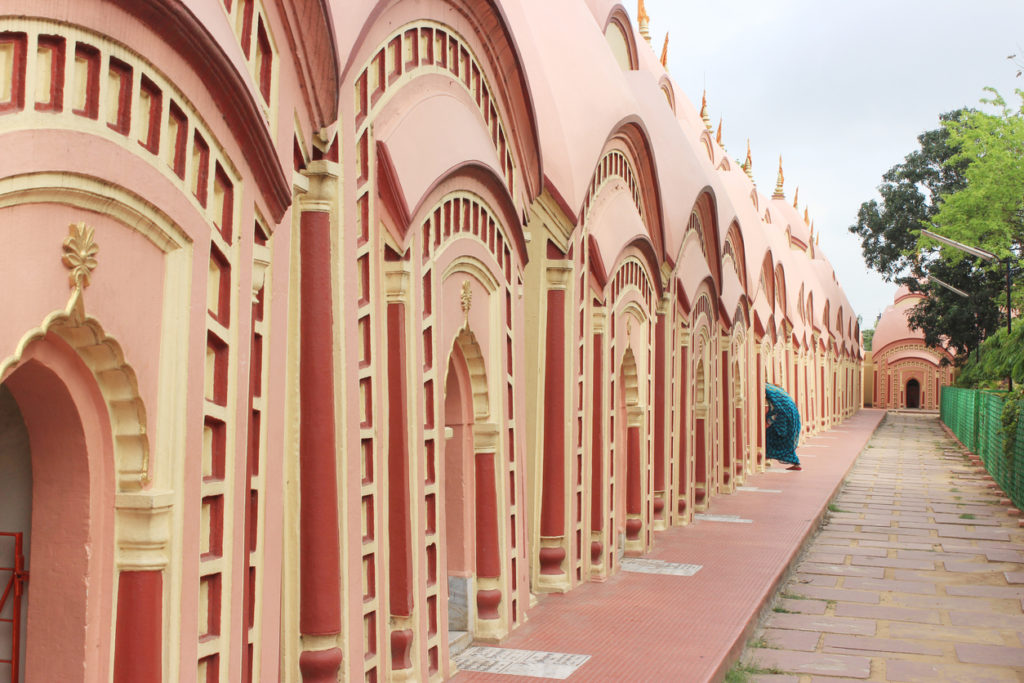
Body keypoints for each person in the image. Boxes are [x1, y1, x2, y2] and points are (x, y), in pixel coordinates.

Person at [764, 383, 802, 470]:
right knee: (780, 440)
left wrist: (771, 419)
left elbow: (780, 411)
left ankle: (795, 462)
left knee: (769, 438)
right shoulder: (781, 395)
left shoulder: (771, 392)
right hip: (792, 419)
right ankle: (795, 462)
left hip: (786, 420)